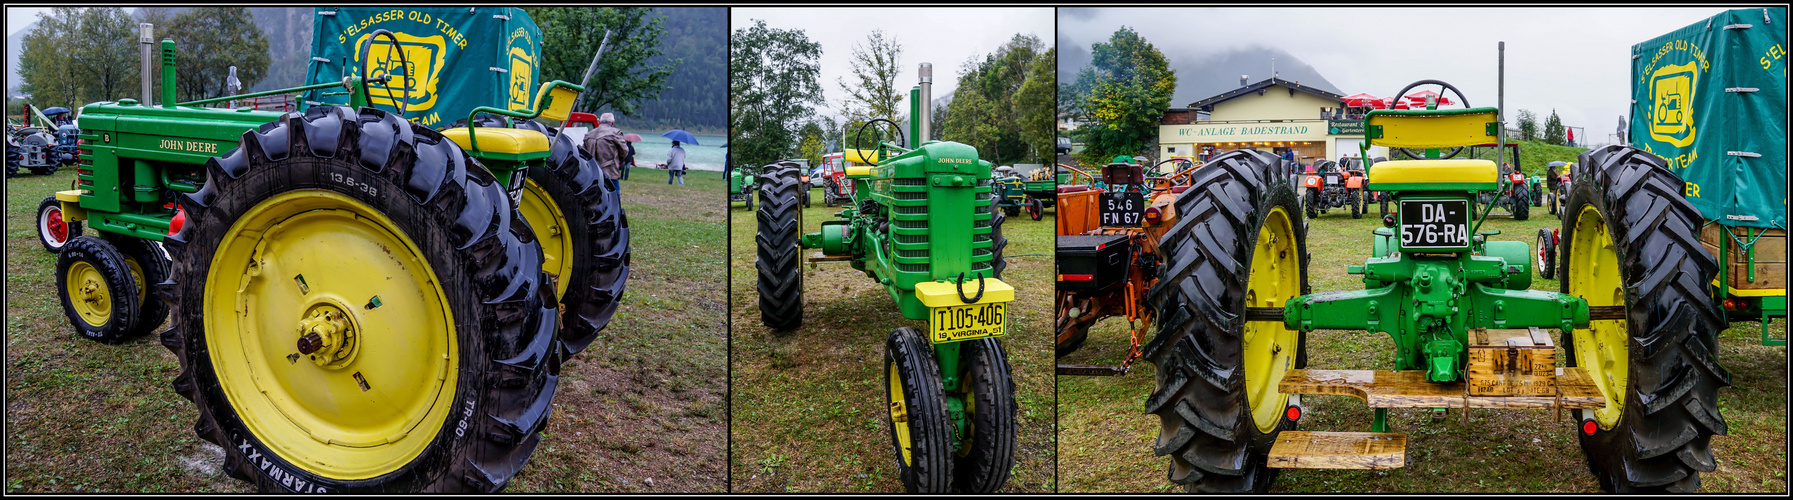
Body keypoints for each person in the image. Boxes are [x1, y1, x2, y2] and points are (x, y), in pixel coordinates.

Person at [581, 112, 628, 190]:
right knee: (614, 198)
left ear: (599, 122)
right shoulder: (616, 133)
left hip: (592, 173)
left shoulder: (589, 135)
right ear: (612, 122)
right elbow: (624, 151)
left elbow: (583, 154)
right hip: (610, 172)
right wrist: (617, 159)